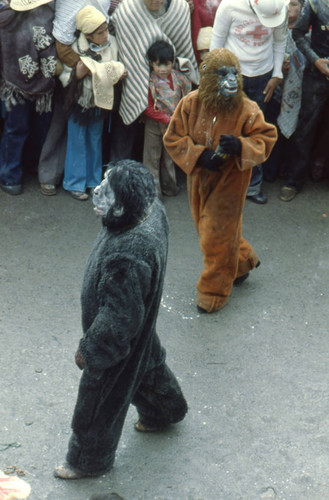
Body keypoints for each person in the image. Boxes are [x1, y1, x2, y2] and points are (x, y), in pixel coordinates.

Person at [54, 161, 188, 479]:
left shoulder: (128, 254)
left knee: (100, 399)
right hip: (141, 318)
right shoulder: (152, 209)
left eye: (107, 190)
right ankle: (165, 410)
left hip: (114, 336)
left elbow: (118, 321)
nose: (97, 191)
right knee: (147, 360)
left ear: (123, 207)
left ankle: (88, 460)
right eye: (103, 181)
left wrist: (91, 350)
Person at [163, 49, 277, 313]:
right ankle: (242, 260)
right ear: (208, 78)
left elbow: (265, 138)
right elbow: (173, 137)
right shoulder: (191, 103)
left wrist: (240, 146)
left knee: (214, 235)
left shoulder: (247, 108)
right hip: (199, 179)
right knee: (209, 229)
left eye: (234, 73)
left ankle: (213, 292)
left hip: (231, 180)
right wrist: (199, 156)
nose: (231, 80)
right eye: (223, 74)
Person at [210, 0, 288, 204]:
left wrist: (277, 74)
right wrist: (217, 79)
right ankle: (221, 183)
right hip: (233, 74)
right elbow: (216, 45)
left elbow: (280, 41)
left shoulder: (280, 6)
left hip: (264, 76)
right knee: (226, 129)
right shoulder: (229, 7)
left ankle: (253, 185)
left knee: (255, 130)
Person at [109, 0, 199, 162]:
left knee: (162, 146)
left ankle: (166, 181)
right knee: (127, 122)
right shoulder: (128, 11)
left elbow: (183, 48)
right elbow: (120, 39)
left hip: (167, 84)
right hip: (134, 76)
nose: (155, 1)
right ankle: (117, 170)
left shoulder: (179, 8)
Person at [58, 6, 126, 200]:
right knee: (77, 141)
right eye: (99, 33)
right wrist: (77, 74)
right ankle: (74, 183)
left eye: (105, 30)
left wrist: (118, 73)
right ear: (87, 35)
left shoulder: (112, 44)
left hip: (100, 103)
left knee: (95, 140)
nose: (105, 35)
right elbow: (64, 75)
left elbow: (118, 63)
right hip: (80, 102)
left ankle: (93, 182)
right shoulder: (76, 48)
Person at [0, 0, 56, 195]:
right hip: (15, 82)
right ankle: (10, 174)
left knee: (41, 125)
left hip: (44, 81)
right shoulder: (7, 16)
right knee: (17, 127)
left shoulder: (50, 11)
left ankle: (31, 164)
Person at [279, 0, 329, 201]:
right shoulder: (315, 4)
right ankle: (294, 180)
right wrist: (316, 60)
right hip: (316, 75)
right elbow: (297, 34)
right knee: (305, 129)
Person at [263, 0, 306, 182]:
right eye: (286, 3)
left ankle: (288, 170)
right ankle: (270, 170)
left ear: (302, 8)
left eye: (294, 4)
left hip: (298, 92)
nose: (289, 7)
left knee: (295, 131)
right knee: (272, 126)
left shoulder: (307, 36)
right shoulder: (270, 31)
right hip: (274, 89)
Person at [143, 40, 191, 197]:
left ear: (173, 62)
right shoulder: (149, 82)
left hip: (173, 124)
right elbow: (148, 108)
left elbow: (187, 99)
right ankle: (153, 193)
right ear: (151, 64)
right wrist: (166, 119)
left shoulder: (180, 79)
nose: (163, 69)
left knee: (169, 158)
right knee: (151, 158)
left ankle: (170, 187)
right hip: (154, 124)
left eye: (167, 64)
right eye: (158, 65)